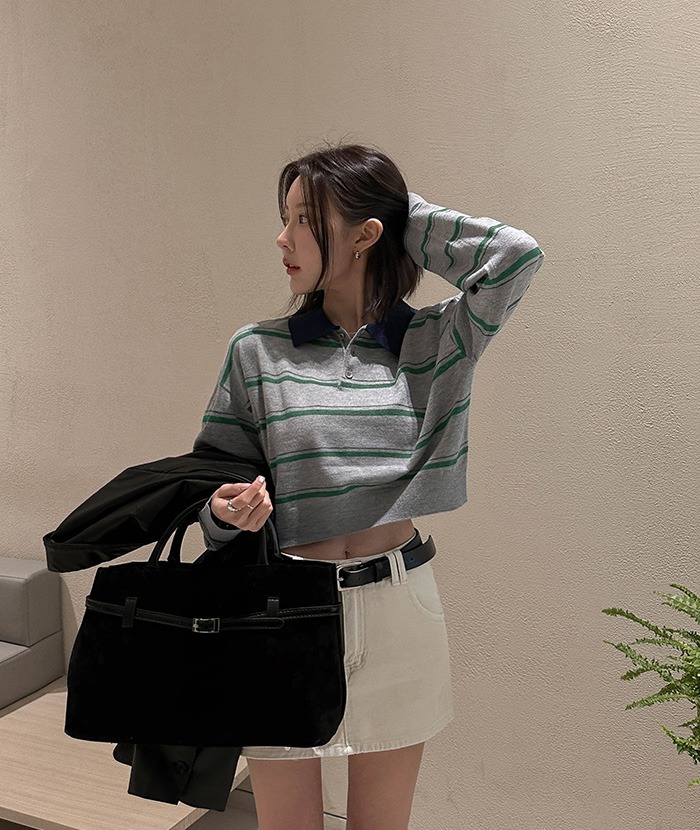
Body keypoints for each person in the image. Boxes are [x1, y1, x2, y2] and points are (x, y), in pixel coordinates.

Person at [192, 142, 546, 830]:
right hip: (279, 608)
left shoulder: (437, 341)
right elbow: (211, 480)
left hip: (396, 610)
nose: (283, 238)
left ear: (366, 235)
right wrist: (222, 511)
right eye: (285, 218)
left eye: (304, 219)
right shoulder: (257, 349)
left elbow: (516, 255)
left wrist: (396, 215)